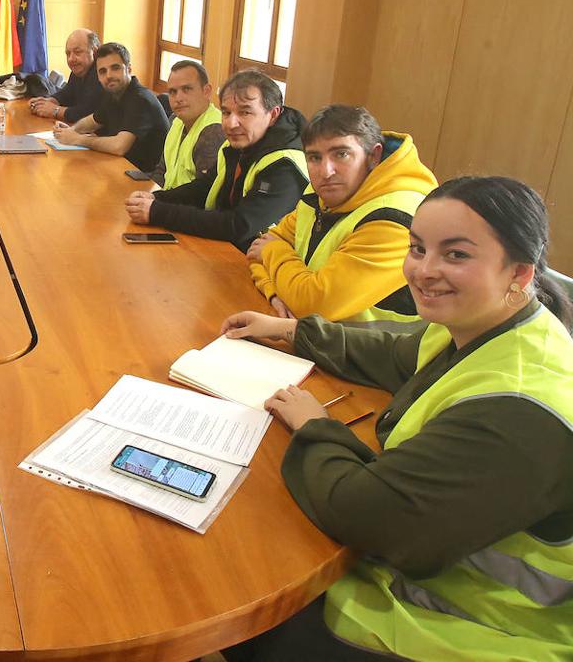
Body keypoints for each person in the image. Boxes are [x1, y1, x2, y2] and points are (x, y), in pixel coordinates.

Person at [219, 176, 573, 661]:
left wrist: (314, 427)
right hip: (432, 561)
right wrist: (291, 331)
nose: (424, 271)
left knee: (243, 593)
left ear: (520, 273)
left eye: (456, 255)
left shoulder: (518, 407)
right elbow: (400, 352)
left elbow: (368, 517)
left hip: (473, 624)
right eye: (418, 248)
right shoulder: (500, 324)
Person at [247, 105, 437, 322]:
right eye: (315, 157)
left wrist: (272, 251)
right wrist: (274, 294)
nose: (326, 172)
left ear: (373, 156)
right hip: (308, 335)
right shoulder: (322, 192)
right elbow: (256, 253)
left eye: (342, 154)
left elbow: (314, 307)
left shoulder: (394, 218)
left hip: (366, 353)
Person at [125, 69, 307, 250]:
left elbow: (238, 225)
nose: (231, 123)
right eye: (226, 113)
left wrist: (157, 212)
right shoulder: (239, 145)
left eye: (245, 113)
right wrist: (156, 198)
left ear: (273, 115)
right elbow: (204, 187)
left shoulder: (285, 164)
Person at [52, 42, 169, 172]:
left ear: (129, 69)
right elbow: (92, 121)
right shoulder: (113, 93)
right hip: (123, 168)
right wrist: (72, 130)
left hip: (147, 178)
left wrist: (78, 139)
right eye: (102, 71)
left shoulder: (140, 98)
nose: (108, 76)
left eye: (115, 68)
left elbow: (119, 146)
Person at [148, 60, 224, 189]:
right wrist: (148, 196)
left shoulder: (214, 131)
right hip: (166, 202)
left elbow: (202, 195)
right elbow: (162, 170)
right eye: (172, 92)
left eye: (186, 89)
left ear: (206, 91)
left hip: (183, 206)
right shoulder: (175, 120)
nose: (178, 98)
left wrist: (156, 203)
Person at [28, 29, 104, 124]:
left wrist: (55, 110)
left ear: (94, 51)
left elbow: (88, 113)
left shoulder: (103, 72)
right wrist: (49, 101)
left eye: (77, 52)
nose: (71, 59)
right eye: (68, 54)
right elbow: (68, 92)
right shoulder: (80, 70)